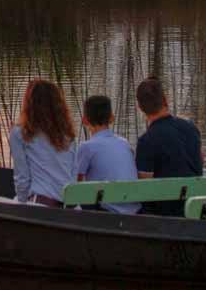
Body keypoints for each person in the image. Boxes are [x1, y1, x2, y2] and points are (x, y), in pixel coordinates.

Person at [132, 77, 202, 218]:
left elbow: (145, 188)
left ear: (140, 107)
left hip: (165, 214)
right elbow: (199, 162)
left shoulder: (146, 141)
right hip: (195, 207)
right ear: (165, 99)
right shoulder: (191, 128)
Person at [8, 78, 77, 207]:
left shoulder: (20, 133)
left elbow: (22, 177)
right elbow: (73, 174)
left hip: (41, 204)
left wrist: (21, 204)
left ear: (29, 104)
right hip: (70, 206)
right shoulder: (68, 134)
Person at [72, 94, 141, 213]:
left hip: (109, 211)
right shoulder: (124, 143)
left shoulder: (87, 147)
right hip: (135, 209)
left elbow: (76, 183)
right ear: (112, 118)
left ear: (84, 120)